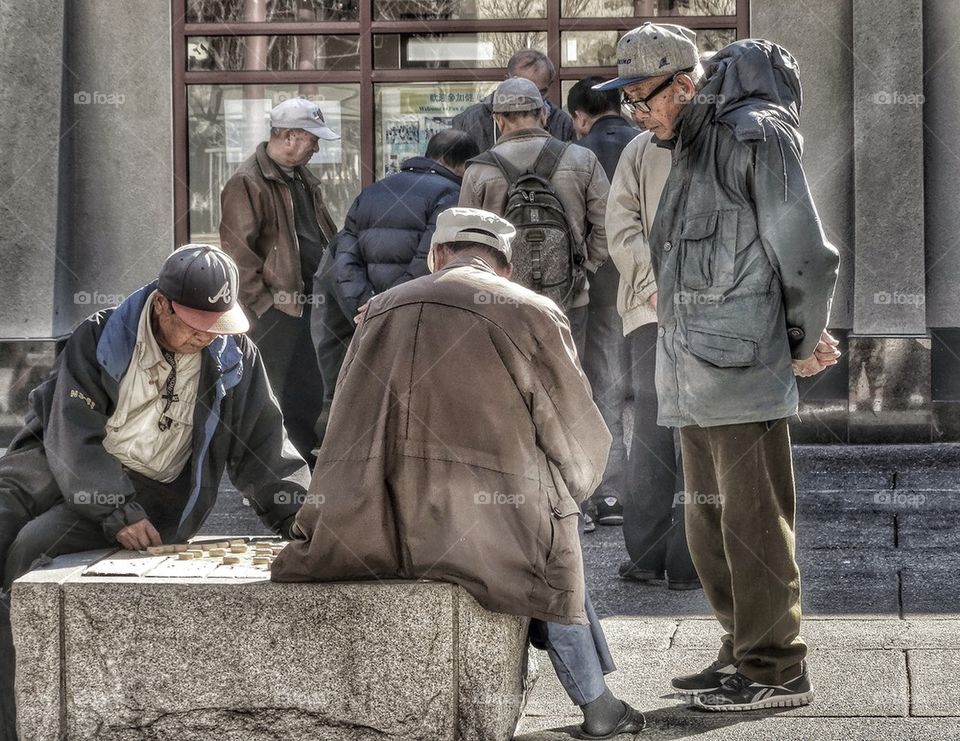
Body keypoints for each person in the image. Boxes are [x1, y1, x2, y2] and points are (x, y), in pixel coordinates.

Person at [273, 208, 646, 739]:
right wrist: (575, 491)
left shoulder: (379, 309)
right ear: (506, 266)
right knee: (556, 544)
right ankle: (598, 705)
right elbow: (574, 431)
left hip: (375, 522)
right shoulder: (530, 310)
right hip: (487, 528)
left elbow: (341, 422)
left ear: (437, 255)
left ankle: (600, 699)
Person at [595, 24, 841, 710]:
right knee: (708, 523)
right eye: (626, 103)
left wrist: (801, 340)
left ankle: (776, 667)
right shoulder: (688, 144)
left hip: (743, 365)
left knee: (753, 523)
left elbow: (807, 256)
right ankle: (741, 649)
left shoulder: (754, 136)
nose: (634, 116)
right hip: (691, 366)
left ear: (684, 84)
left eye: (641, 98)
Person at [0, 245, 310, 738]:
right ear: (161, 304)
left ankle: (22, 715)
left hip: (149, 496)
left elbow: (264, 447)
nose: (206, 335)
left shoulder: (234, 356)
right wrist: (114, 509)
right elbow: (72, 432)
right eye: (194, 323)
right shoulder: (101, 336)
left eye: (218, 323)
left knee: (32, 550)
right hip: (60, 463)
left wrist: (303, 523)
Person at [310, 129, 479, 441]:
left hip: (365, 316)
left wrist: (368, 305)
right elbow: (431, 260)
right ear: (463, 165)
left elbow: (343, 258)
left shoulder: (372, 191)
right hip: (415, 320)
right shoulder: (450, 197)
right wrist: (392, 307)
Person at [602, 112, 699, 587]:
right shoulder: (647, 147)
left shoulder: (639, 149)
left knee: (654, 427)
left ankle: (649, 556)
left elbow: (621, 228)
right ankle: (687, 561)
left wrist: (650, 287)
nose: (638, 107)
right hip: (694, 311)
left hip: (650, 311)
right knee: (689, 430)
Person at [219, 97, 341, 465]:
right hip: (277, 308)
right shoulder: (247, 180)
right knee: (273, 393)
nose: (317, 147)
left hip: (304, 303)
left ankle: (299, 463)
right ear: (288, 136)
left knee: (304, 390)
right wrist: (262, 305)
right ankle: (267, 470)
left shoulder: (300, 178)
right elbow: (239, 254)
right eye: (312, 138)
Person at [457, 78, 609, 358]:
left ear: (498, 120)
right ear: (544, 113)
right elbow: (607, 225)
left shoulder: (478, 171)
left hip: (501, 301)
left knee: (512, 388)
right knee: (567, 385)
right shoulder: (582, 159)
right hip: (569, 299)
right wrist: (583, 264)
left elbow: (465, 245)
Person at [565, 77, 641, 528]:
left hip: (587, 281)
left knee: (594, 379)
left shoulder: (572, 153)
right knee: (643, 386)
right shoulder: (649, 141)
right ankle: (635, 491)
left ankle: (600, 488)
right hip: (645, 279)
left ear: (579, 116)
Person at [452, 49, 575, 151]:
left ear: (550, 85)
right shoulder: (468, 121)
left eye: (540, 92)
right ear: (507, 80)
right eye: (524, 92)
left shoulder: (562, 122)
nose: (532, 100)